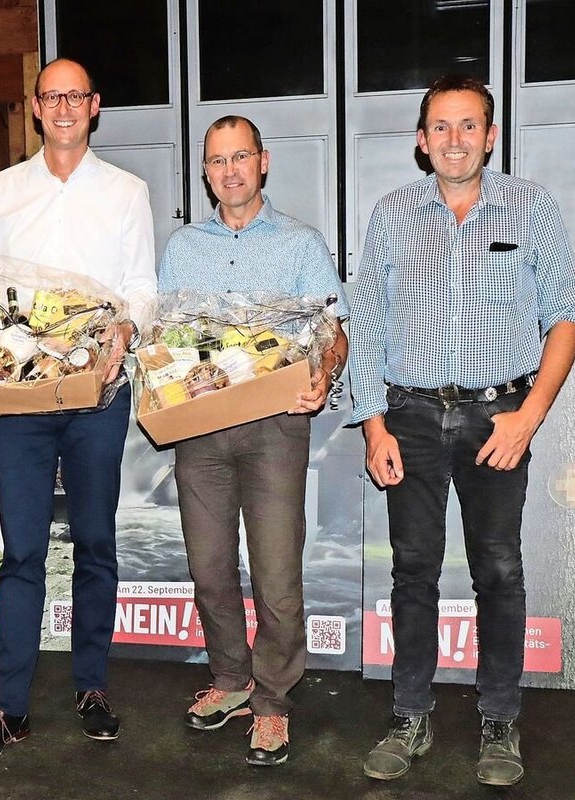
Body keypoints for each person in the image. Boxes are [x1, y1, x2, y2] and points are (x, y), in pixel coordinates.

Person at [348, 75, 575, 787]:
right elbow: (366, 326)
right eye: (440, 128)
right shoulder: (391, 215)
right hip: (410, 418)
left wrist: (529, 415)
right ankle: (411, 715)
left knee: (500, 571)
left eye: (468, 125)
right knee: (413, 570)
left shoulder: (532, 206)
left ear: (490, 135)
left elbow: (566, 312)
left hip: (497, 417)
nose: (455, 139)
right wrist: (373, 427)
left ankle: (499, 722)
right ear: (422, 143)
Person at [0, 57, 156, 766]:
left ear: (94, 106)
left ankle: (92, 688)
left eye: (75, 96)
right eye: (51, 96)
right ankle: (9, 708)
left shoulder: (127, 192)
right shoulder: (3, 190)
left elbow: (141, 286)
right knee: (23, 552)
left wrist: (126, 328)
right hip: (21, 396)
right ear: (36, 107)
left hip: (98, 394)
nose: (64, 107)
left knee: (97, 542)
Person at [156, 116, 349, 767]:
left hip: (274, 428)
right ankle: (231, 680)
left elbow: (334, 329)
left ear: (263, 162)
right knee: (208, 569)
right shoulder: (182, 247)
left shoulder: (300, 243)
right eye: (217, 160)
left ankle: (272, 703)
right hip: (200, 430)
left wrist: (323, 376)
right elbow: (167, 341)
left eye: (241, 157)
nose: (230, 170)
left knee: (276, 576)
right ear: (206, 171)